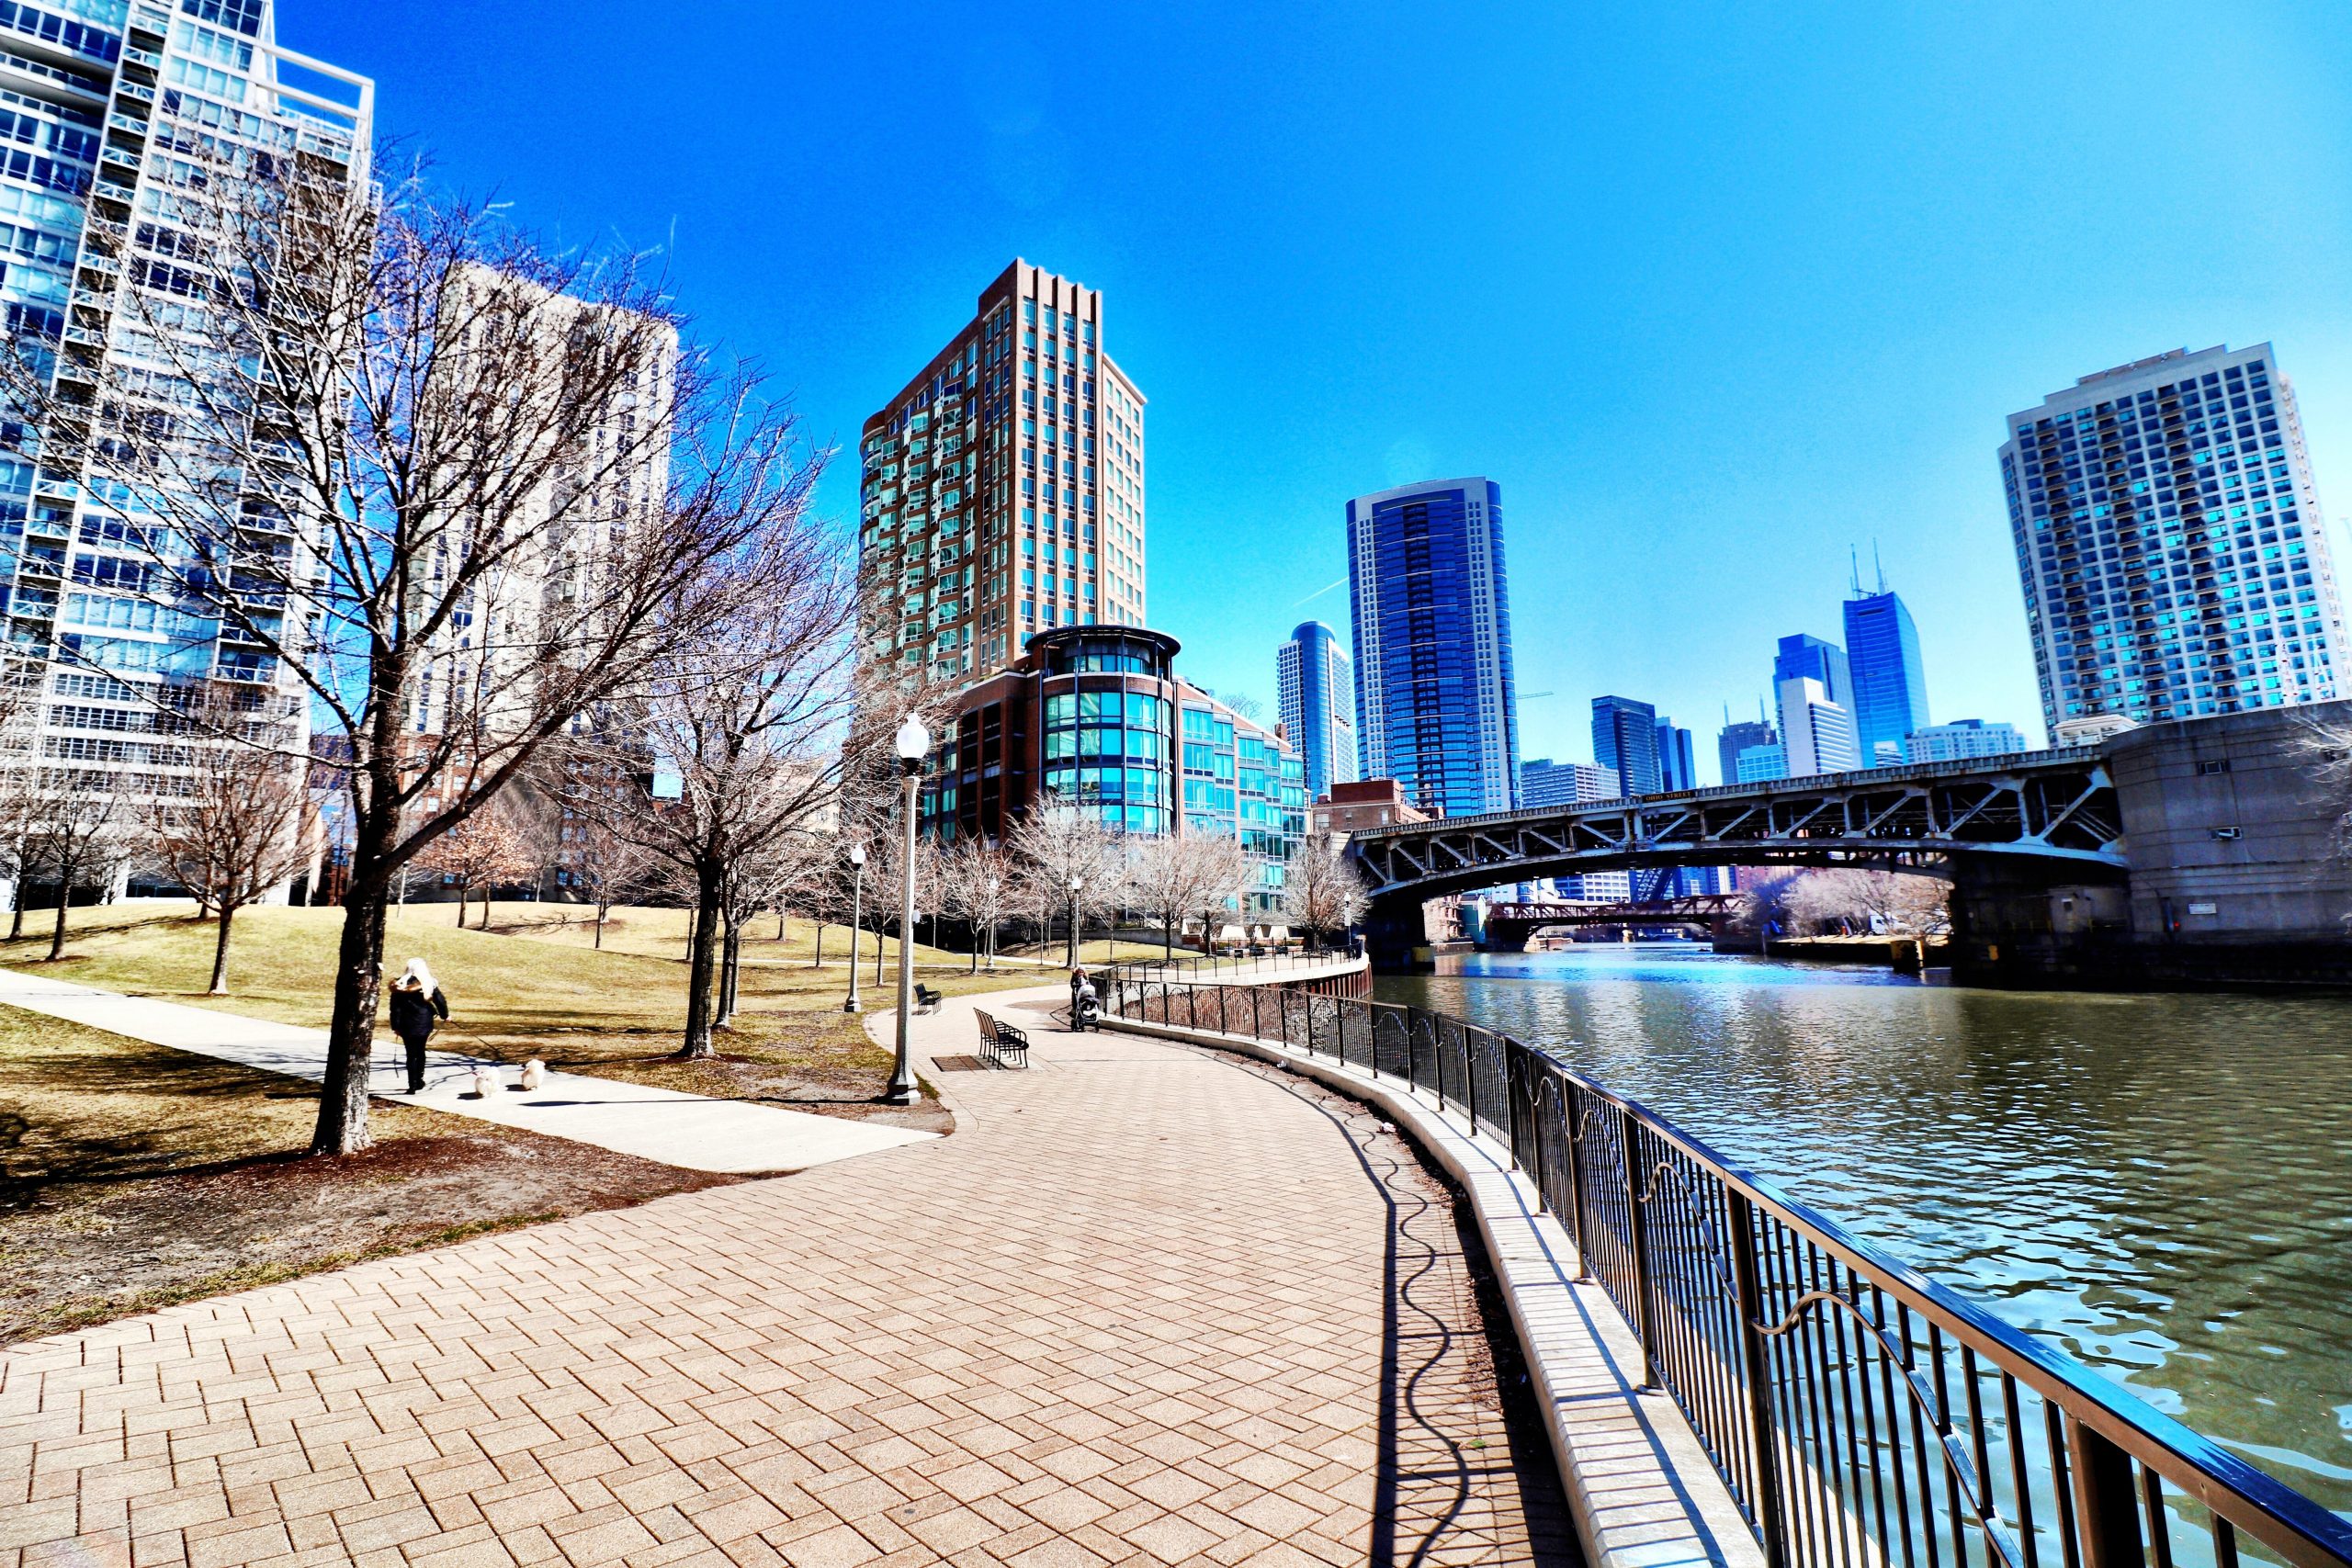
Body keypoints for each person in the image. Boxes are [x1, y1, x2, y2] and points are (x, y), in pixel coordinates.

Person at [386, 958, 449, 1093]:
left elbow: (395, 1008)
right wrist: (445, 1015)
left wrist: (395, 1026)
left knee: (410, 1054)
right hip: (424, 1023)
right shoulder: (428, 983)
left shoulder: (399, 984)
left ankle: (412, 1085)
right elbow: (440, 1001)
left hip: (405, 1025)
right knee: (420, 1052)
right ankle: (419, 1080)